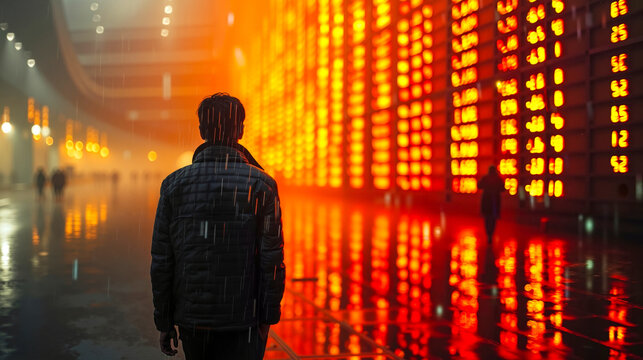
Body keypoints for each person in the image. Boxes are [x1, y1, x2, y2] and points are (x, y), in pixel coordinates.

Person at [151, 93, 285, 360]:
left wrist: (165, 321)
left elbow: (162, 260)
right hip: (244, 319)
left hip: (193, 319)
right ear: (240, 130)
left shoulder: (173, 185)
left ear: (201, 130)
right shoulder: (262, 185)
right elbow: (272, 259)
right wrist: (266, 317)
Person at [477, 165, 504, 242]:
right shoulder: (498, 179)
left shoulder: (485, 178)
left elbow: (479, 186)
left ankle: (488, 234)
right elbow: (503, 189)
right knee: (493, 219)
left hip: (486, 200)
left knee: (487, 218)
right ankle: (491, 234)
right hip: (495, 200)